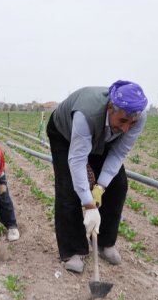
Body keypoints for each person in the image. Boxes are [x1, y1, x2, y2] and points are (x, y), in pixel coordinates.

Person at [46, 80, 148, 273]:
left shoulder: (138, 117)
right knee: (68, 188)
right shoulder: (87, 115)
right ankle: (73, 250)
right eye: (123, 121)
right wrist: (88, 204)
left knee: (117, 185)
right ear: (110, 108)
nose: (126, 128)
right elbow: (77, 160)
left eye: (131, 123)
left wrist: (100, 187)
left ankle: (104, 243)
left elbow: (118, 153)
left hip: (105, 136)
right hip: (65, 134)